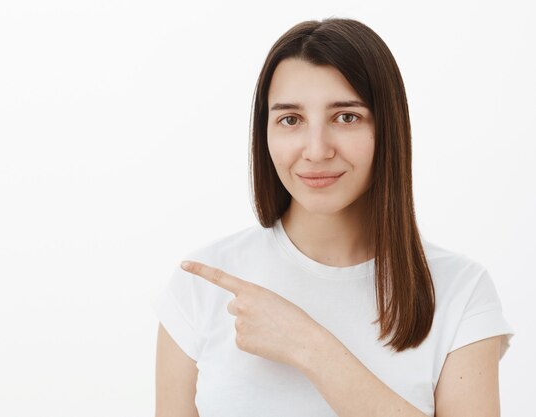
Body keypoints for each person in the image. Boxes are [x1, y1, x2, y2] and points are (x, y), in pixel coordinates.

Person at [152, 17, 514, 417]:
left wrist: (309, 345)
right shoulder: (202, 286)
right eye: (290, 120)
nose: (316, 150)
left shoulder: (459, 291)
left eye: (346, 117)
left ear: (387, 128)